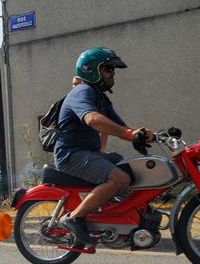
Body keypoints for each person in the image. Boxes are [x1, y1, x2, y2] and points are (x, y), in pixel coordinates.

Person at [53, 47, 153, 245]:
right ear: (92, 70)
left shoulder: (99, 97)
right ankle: (74, 218)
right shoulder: (82, 92)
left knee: (133, 170)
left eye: (113, 69)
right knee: (119, 178)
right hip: (71, 154)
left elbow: (122, 127)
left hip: (89, 153)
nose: (113, 73)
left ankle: (119, 215)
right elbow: (93, 119)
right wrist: (128, 134)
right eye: (108, 68)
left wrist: (147, 135)